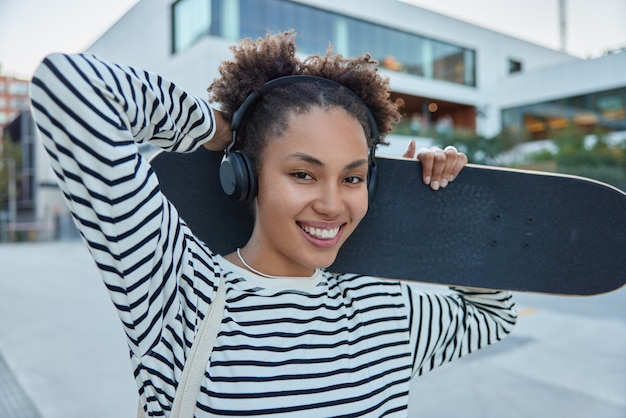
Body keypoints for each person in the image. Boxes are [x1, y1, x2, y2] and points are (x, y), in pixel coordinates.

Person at [30, 31, 516, 417]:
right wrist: (220, 130)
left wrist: (443, 212)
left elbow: (495, 316)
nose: (331, 204)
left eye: (352, 177)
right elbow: (70, 87)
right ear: (244, 176)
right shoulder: (178, 290)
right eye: (303, 173)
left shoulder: (383, 307)